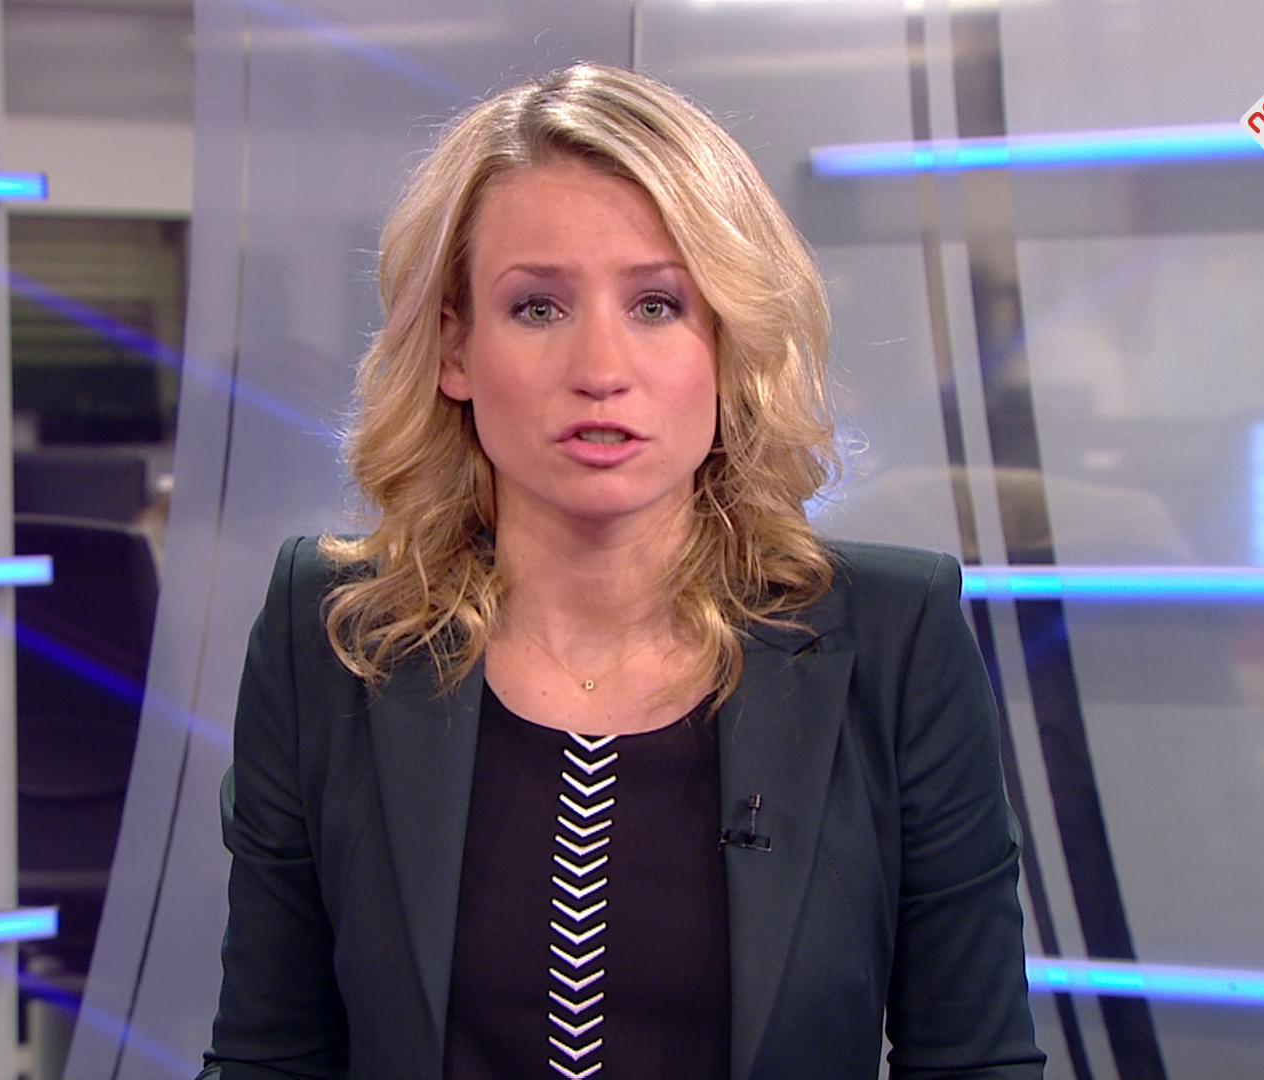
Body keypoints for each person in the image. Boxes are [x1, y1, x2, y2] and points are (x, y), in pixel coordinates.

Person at [198, 63, 1043, 1080]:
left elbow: (975, 1063)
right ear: (455, 348)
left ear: (729, 341)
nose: (601, 369)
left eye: (655, 304)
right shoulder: (332, 636)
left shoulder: (897, 641)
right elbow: (268, 1058)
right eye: (538, 308)